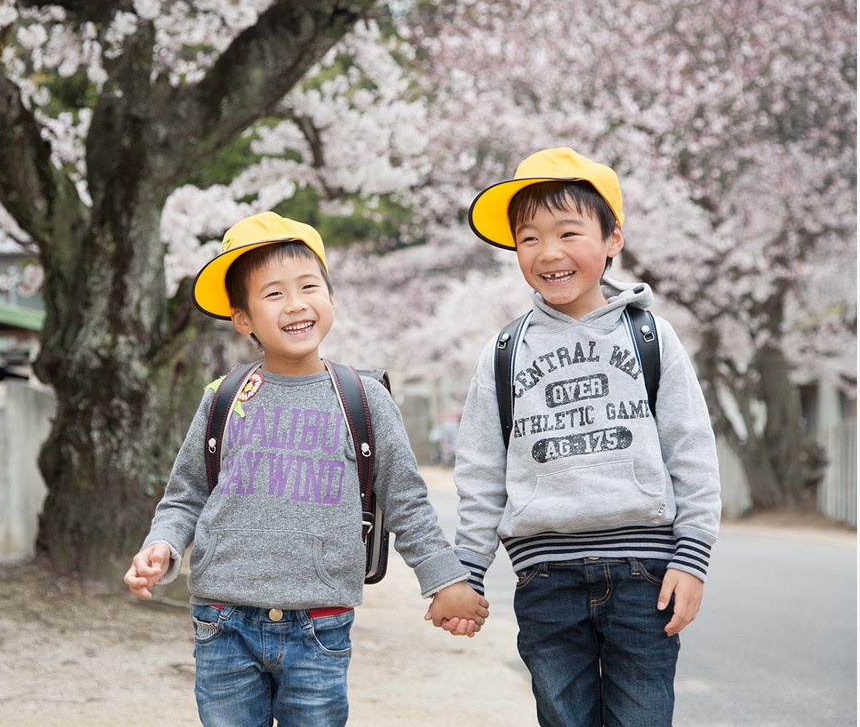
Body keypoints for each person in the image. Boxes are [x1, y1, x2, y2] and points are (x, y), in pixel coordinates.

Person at [124, 211, 488, 726]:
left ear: (331, 299)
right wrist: (161, 544)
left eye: (309, 287)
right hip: (222, 620)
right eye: (273, 294)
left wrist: (443, 579)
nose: (295, 304)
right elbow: (187, 494)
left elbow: (406, 503)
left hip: (320, 625)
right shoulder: (225, 398)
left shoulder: (364, 399)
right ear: (243, 319)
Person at [451, 147, 722, 727]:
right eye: (529, 238)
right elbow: (480, 471)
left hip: (645, 575)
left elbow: (692, 451)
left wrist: (692, 560)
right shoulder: (504, 352)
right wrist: (467, 572)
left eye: (568, 233)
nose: (548, 252)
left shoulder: (651, 337)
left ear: (612, 238)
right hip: (545, 578)